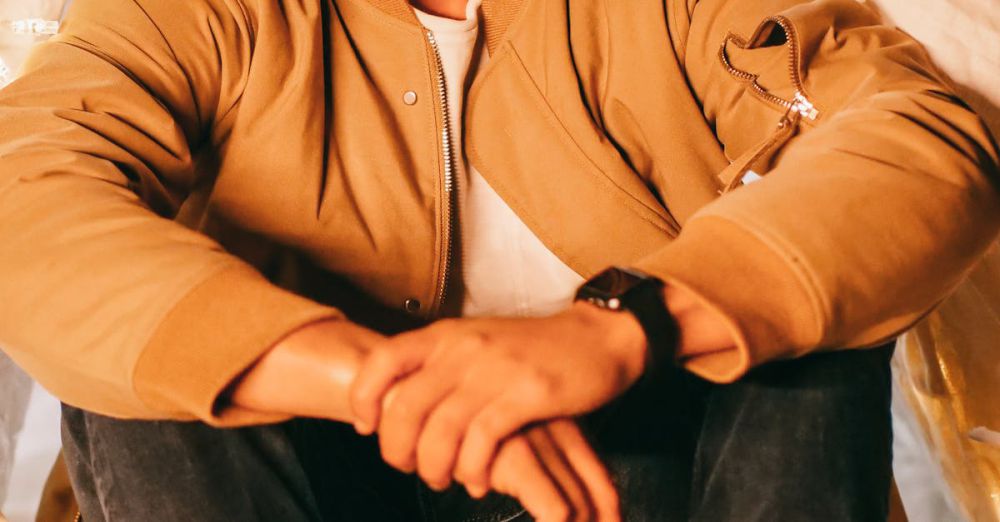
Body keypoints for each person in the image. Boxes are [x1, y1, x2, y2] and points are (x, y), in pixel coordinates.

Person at [0, 0, 996, 519]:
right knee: (153, 349)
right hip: (309, 472)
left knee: (808, 313)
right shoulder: (194, 11)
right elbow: (26, 196)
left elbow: (923, 140)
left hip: (632, 467)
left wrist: (627, 324)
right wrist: (374, 382)